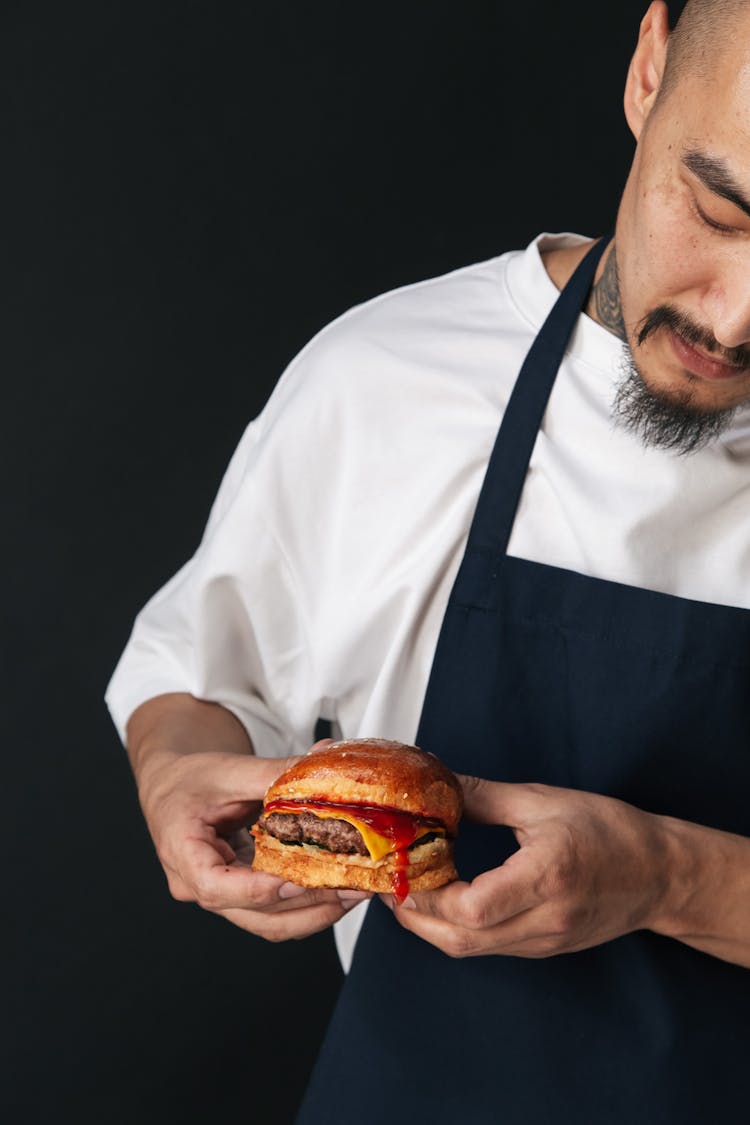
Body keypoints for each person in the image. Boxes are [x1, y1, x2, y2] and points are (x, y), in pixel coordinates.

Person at [106, 1, 750, 1120]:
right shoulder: (387, 382)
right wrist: (172, 773)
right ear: (648, 70)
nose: (738, 318)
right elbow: (204, 676)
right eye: (719, 209)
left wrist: (666, 876)